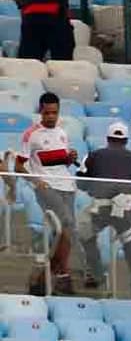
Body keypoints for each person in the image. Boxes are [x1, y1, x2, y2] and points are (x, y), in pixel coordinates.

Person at [77, 122, 131, 290]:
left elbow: (81, 184)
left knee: (85, 236)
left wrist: (96, 188)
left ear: (108, 138)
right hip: (125, 211)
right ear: (126, 140)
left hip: (99, 209)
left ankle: (96, 274)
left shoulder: (93, 155)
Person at [16, 92, 79, 295]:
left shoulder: (62, 133)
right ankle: (63, 275)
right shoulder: (31, 134)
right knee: (66, 224)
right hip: (47, 186)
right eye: (47, 113)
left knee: (67, 231)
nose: (51, 117)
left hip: (67, 185)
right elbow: (18, 166)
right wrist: (36, 181)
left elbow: (61, 162)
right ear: (41, 111)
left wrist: (70, 157)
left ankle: (43, 277)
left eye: (55, 113)